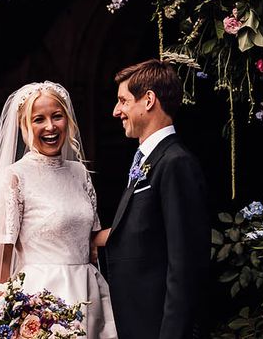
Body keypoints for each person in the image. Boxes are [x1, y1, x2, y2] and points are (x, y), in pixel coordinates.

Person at [0, 81, 118, 338]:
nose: (50, 127)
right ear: (24, 126)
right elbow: (2, 257)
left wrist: (136, 224)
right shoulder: (14, 178)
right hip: (40, 300)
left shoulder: (80, 173)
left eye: (57, 116)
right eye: (38, 119)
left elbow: (89, 239)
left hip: (88, 293)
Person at [101, 59, 209, 339]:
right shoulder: (148, 160)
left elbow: (184, 263)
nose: (116, 111)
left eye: (123, 101)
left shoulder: (175, 162)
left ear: (148, 100)